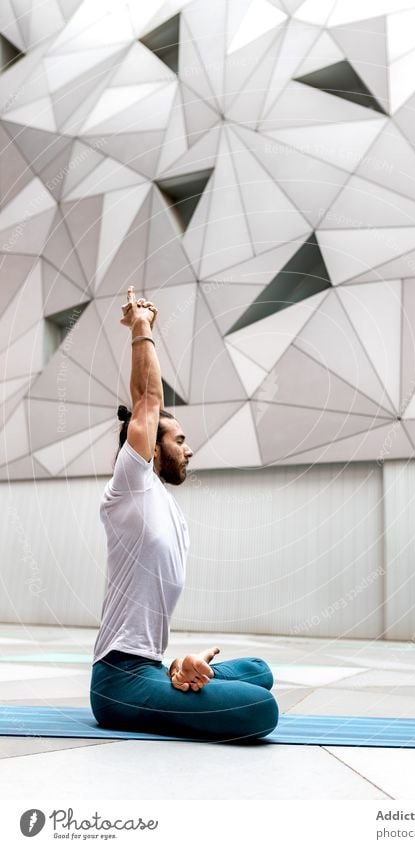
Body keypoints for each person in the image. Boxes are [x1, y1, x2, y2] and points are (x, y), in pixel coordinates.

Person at [90, 286, 279, 741]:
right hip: (119, 681)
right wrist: (142, 327)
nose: (190, 450)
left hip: (152, 668)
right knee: (260, 707)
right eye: (179, 441)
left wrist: (178, 666)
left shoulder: (165, 504)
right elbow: (147, 402)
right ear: (150, 448)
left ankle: (177, 675)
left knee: (258, 669)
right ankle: (173, 681)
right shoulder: (130, 485)